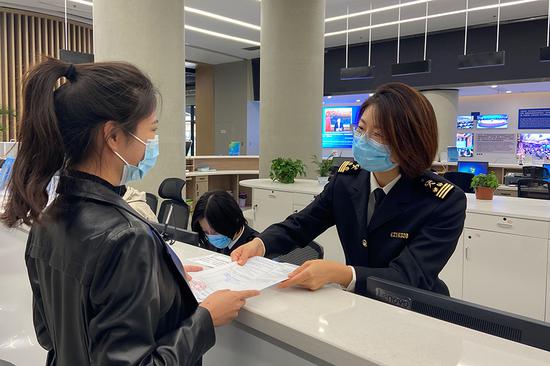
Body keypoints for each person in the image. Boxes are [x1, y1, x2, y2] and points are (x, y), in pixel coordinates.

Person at [1, 58, 259, 365]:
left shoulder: (46, 217)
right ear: (113, 136)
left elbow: (47, 333)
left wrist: (162, 281)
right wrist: (204, 319)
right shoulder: (126, 238)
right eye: (150, 129)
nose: (151, 140)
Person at [232, 82, 467, 296]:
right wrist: (260, 244)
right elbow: (301, 225)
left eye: (379, 135)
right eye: (361, 129)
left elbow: (410, 275)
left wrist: (342, 274)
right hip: (358, 303)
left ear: (410, 142)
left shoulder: (442, 201)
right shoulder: (347, 180)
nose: (364, 140)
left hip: (414, 309)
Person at [191, 190, 258, 255]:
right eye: (206, 232)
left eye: (216, 232)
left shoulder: (255, 246)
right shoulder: (208, 240)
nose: (212, 238)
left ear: (234, 220)